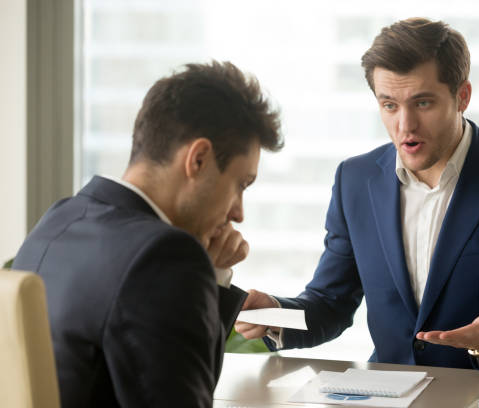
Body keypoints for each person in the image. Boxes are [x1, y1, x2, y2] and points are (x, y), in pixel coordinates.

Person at [235, 17, 479, 374]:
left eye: (422, 103)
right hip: (386, 395)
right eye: (389, 105)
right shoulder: (354, 181)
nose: (405, 125)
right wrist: (275, 313)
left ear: (462, 96)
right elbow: (330, 304)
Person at [13, 61, 283, 407]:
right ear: (198, 159)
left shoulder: (59, 219)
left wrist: (212, 276)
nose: (238, 213)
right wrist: (207, 276)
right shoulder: (164, 257)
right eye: (240, 184)